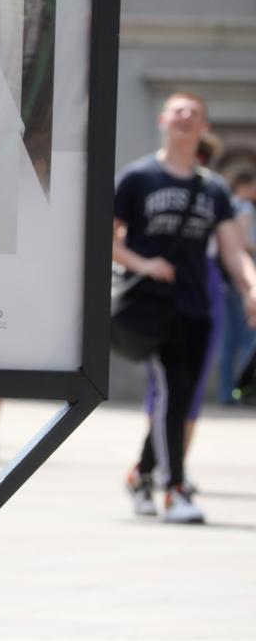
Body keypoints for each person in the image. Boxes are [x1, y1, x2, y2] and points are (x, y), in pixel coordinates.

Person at [114, 93, 256, 524]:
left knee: (181, 396)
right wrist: (145, 264)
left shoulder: (213, 188)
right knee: (174, 392)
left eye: (195, 113)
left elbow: (233, 250)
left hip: (198, 306)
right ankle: (174, 489)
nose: (187, 117)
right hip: (154, 307)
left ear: (203, 128)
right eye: (179, 111)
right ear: (162, 120)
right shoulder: (138, 177)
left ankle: (142, 473)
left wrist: (251, 287)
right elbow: (107, 239)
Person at [217, 171, 256, 405]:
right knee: (246, 339)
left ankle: (227, 393)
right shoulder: (243, 208)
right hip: (243, 278)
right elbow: (240, 246)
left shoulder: (228, 204)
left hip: (227, 278)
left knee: (229, 340)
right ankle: (241, 391)